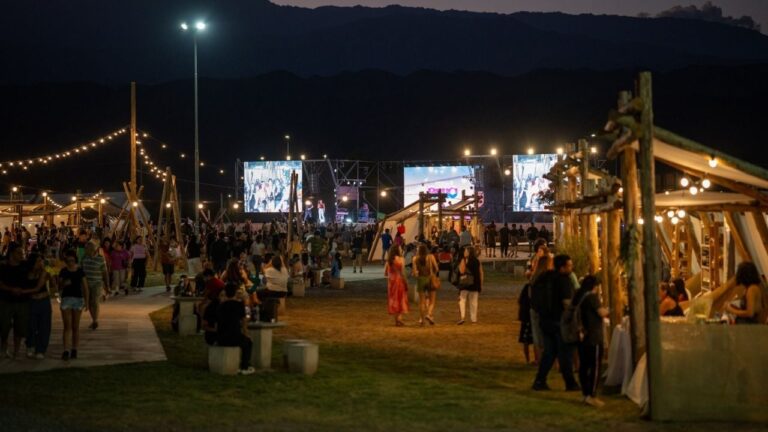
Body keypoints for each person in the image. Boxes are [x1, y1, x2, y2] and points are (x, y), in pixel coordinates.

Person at [531, 254, 580, 392]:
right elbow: (566, 303)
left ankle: (539, 381)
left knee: (550, 352)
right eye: (569, 265)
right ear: (562, 267)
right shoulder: (563, 280)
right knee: (565, 354)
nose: (571, 268)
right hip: (560, 322)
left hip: (545, 320)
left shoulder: (545, 277)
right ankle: (570, 383)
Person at [574, 275, 609, 408]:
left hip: (583, 336)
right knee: (595, 367)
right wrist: (609, 310)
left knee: (584, 366)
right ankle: (591, 395)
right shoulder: (592, 297)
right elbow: (601, 313)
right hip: (594, 337)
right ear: (595, 286)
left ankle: (585, 393)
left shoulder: (580, 296)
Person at [0, 243, 34, 359]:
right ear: (11, 254)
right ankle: (4, 346)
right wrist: (11, 289)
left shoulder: (25, 265)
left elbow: (40, 263)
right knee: (4, 326)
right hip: (6, 300)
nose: (21, 255)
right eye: (19, 253)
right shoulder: (4, 267)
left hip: (22, 301)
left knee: (19, 327)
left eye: (22, 253)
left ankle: (16, 351)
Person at [216, 282, 255, 375]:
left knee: (245, 341)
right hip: (234, 336)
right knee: (248, 343)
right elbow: (244, 322)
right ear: (235, 293)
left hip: (221, 337)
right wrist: (246, 334)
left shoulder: (221, 306)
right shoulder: (239, 305)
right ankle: (244, 366)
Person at [58, 250, 89, 360]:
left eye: (72, 260)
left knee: (75, 326)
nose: (70, 263)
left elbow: (85, 287)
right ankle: (66, 350)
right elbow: (59, 287)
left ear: (75, 260)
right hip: (66, 299)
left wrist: (87, 301)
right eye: (68, 261)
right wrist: (63, 283)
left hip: (77, 299)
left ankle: (74, 349)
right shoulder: (63, 271)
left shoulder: (80, 271)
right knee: (67, 326)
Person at [25, 253, 55, 359]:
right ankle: (30, 345)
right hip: (31, 301)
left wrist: (47, 293)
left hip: (44, 300)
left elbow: (54, 285)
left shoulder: (46, 270)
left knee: (44, 326)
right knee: (31, 325)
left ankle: (41, 349)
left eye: (41, 261)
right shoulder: (27, 272)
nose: (40, 263)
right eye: (38, 261)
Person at [81, 242, 109, 330]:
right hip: (86, 284)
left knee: (95, 301)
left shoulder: (100, 259)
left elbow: (105, 273)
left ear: (93, 250)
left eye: (87, 249)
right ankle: (94, 320)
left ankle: (95, 320)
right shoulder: (84, 258)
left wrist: (107, 285)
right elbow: (81, 270)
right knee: (88, 302)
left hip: (97, 283)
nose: (85, 250)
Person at [412, 244, 438, 326]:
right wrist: (433, 274)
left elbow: (414, 272)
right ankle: (429, 314)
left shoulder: (415, 259)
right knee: (432, 300)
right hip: (430, 278)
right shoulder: (431, 257)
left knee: (422, 302)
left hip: (420, 280)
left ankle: (422, 320)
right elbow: (436, 268)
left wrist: (417, 274)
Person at [456, 246, 483, 324]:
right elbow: (481, 273)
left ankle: (462, 317)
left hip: (465, 283)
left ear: (469, 252)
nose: (464, 252)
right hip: (475, 283)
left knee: (462, 299)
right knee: (474, 302)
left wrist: (459, 265)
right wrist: (481, 284)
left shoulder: (464, 260)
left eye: (465, 251)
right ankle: (473, 319)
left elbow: (461, 271)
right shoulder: (477, 261)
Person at [385, 245, 409, 326]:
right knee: (400, 298)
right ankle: (399, 319)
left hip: (391, 282)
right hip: (399, 281)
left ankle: (397, 320)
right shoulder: (401, 259)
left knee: (394, 299)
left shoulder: (389, 261)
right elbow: (403, 272)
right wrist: (406, 282)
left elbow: (385, 273)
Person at [518, 280, 534, 364]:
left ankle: (530, 359)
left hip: (526, 316)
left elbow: (520, 300)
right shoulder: (530, 287)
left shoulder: (527, 287)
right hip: (528, 316)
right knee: (530, 340)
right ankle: (531, 359)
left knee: (526, 340)